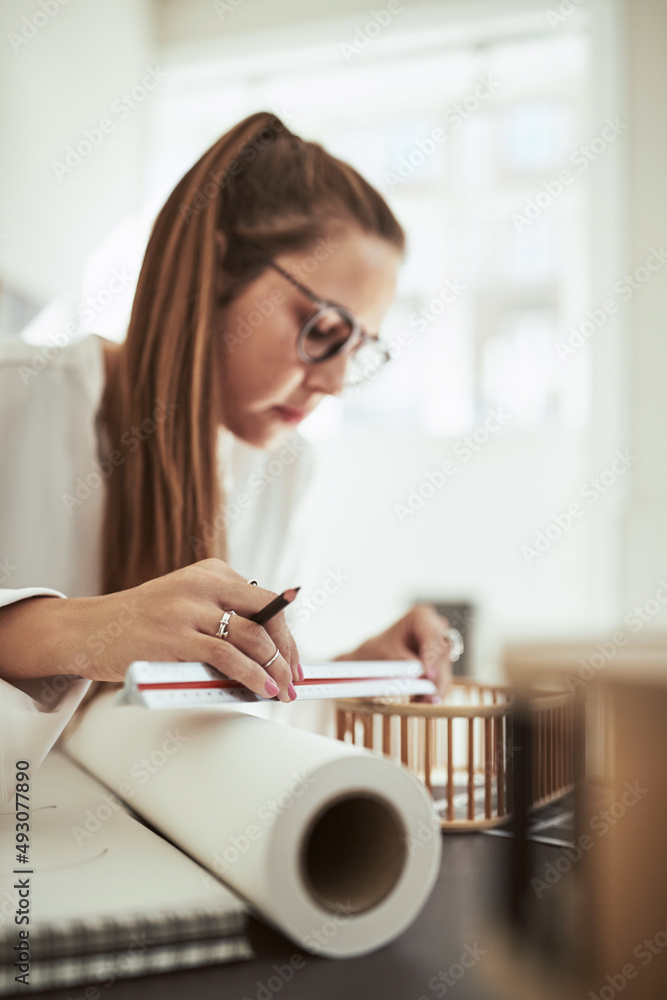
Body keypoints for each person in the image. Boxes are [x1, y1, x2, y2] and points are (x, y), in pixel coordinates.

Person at [0, 111, 454, 802]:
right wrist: (88, 630)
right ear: (214, 271)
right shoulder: (15, 398)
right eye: (322, 330)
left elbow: (221, 717)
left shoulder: (285, 468)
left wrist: (348, 675)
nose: (334, 382)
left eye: (359, 349)